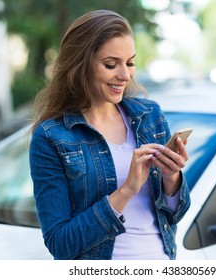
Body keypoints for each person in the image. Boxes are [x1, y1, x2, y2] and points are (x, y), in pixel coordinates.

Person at [29, 9, 191, 260]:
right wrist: (127, 189)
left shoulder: (150, 116)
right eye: (110, 64)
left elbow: (175, 214)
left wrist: (172, 178)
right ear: (80, 65)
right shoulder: (51, 136)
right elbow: (60, 244)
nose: (125, 75)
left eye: (130, 63)